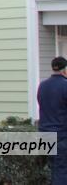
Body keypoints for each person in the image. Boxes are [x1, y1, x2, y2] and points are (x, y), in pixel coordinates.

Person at [38, 56, 67, 185]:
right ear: (64, 69)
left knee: (53, 169)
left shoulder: (42, 86)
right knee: (61, 171)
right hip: (61, 135)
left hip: (45, 134)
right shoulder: (65, 85)